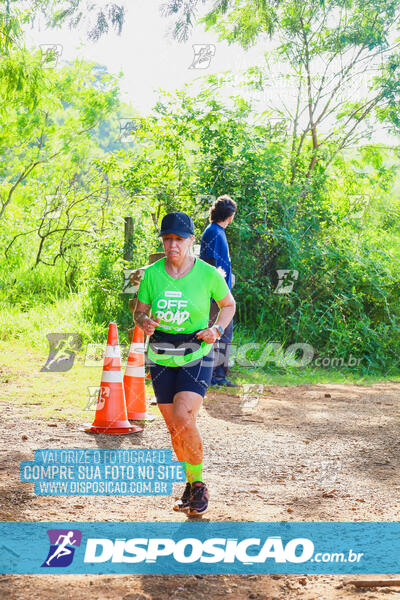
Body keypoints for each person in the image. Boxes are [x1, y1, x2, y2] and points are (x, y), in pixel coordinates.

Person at [134, 211, 236, 516]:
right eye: (167, 239)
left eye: (179, 239)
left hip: (196, 352)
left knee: (183, 417)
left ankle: (200, 485)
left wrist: (216, 329)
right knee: (174, 428)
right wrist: (145, 322)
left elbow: (228, 305)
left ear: (191, 240)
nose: (172, 245)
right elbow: (139, 312)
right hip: (161, 354)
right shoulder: (152, 275)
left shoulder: (207, 274)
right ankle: (190, 484)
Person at [200, 195, 237, 387]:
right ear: (230, 216)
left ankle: (216, 374)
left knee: (223, 332)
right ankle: (215, 376)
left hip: (220, 292)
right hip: (216, 295)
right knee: (221, 332)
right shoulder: (214, 232)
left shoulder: (216, 231)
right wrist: (215, 291)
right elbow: (211, 264)